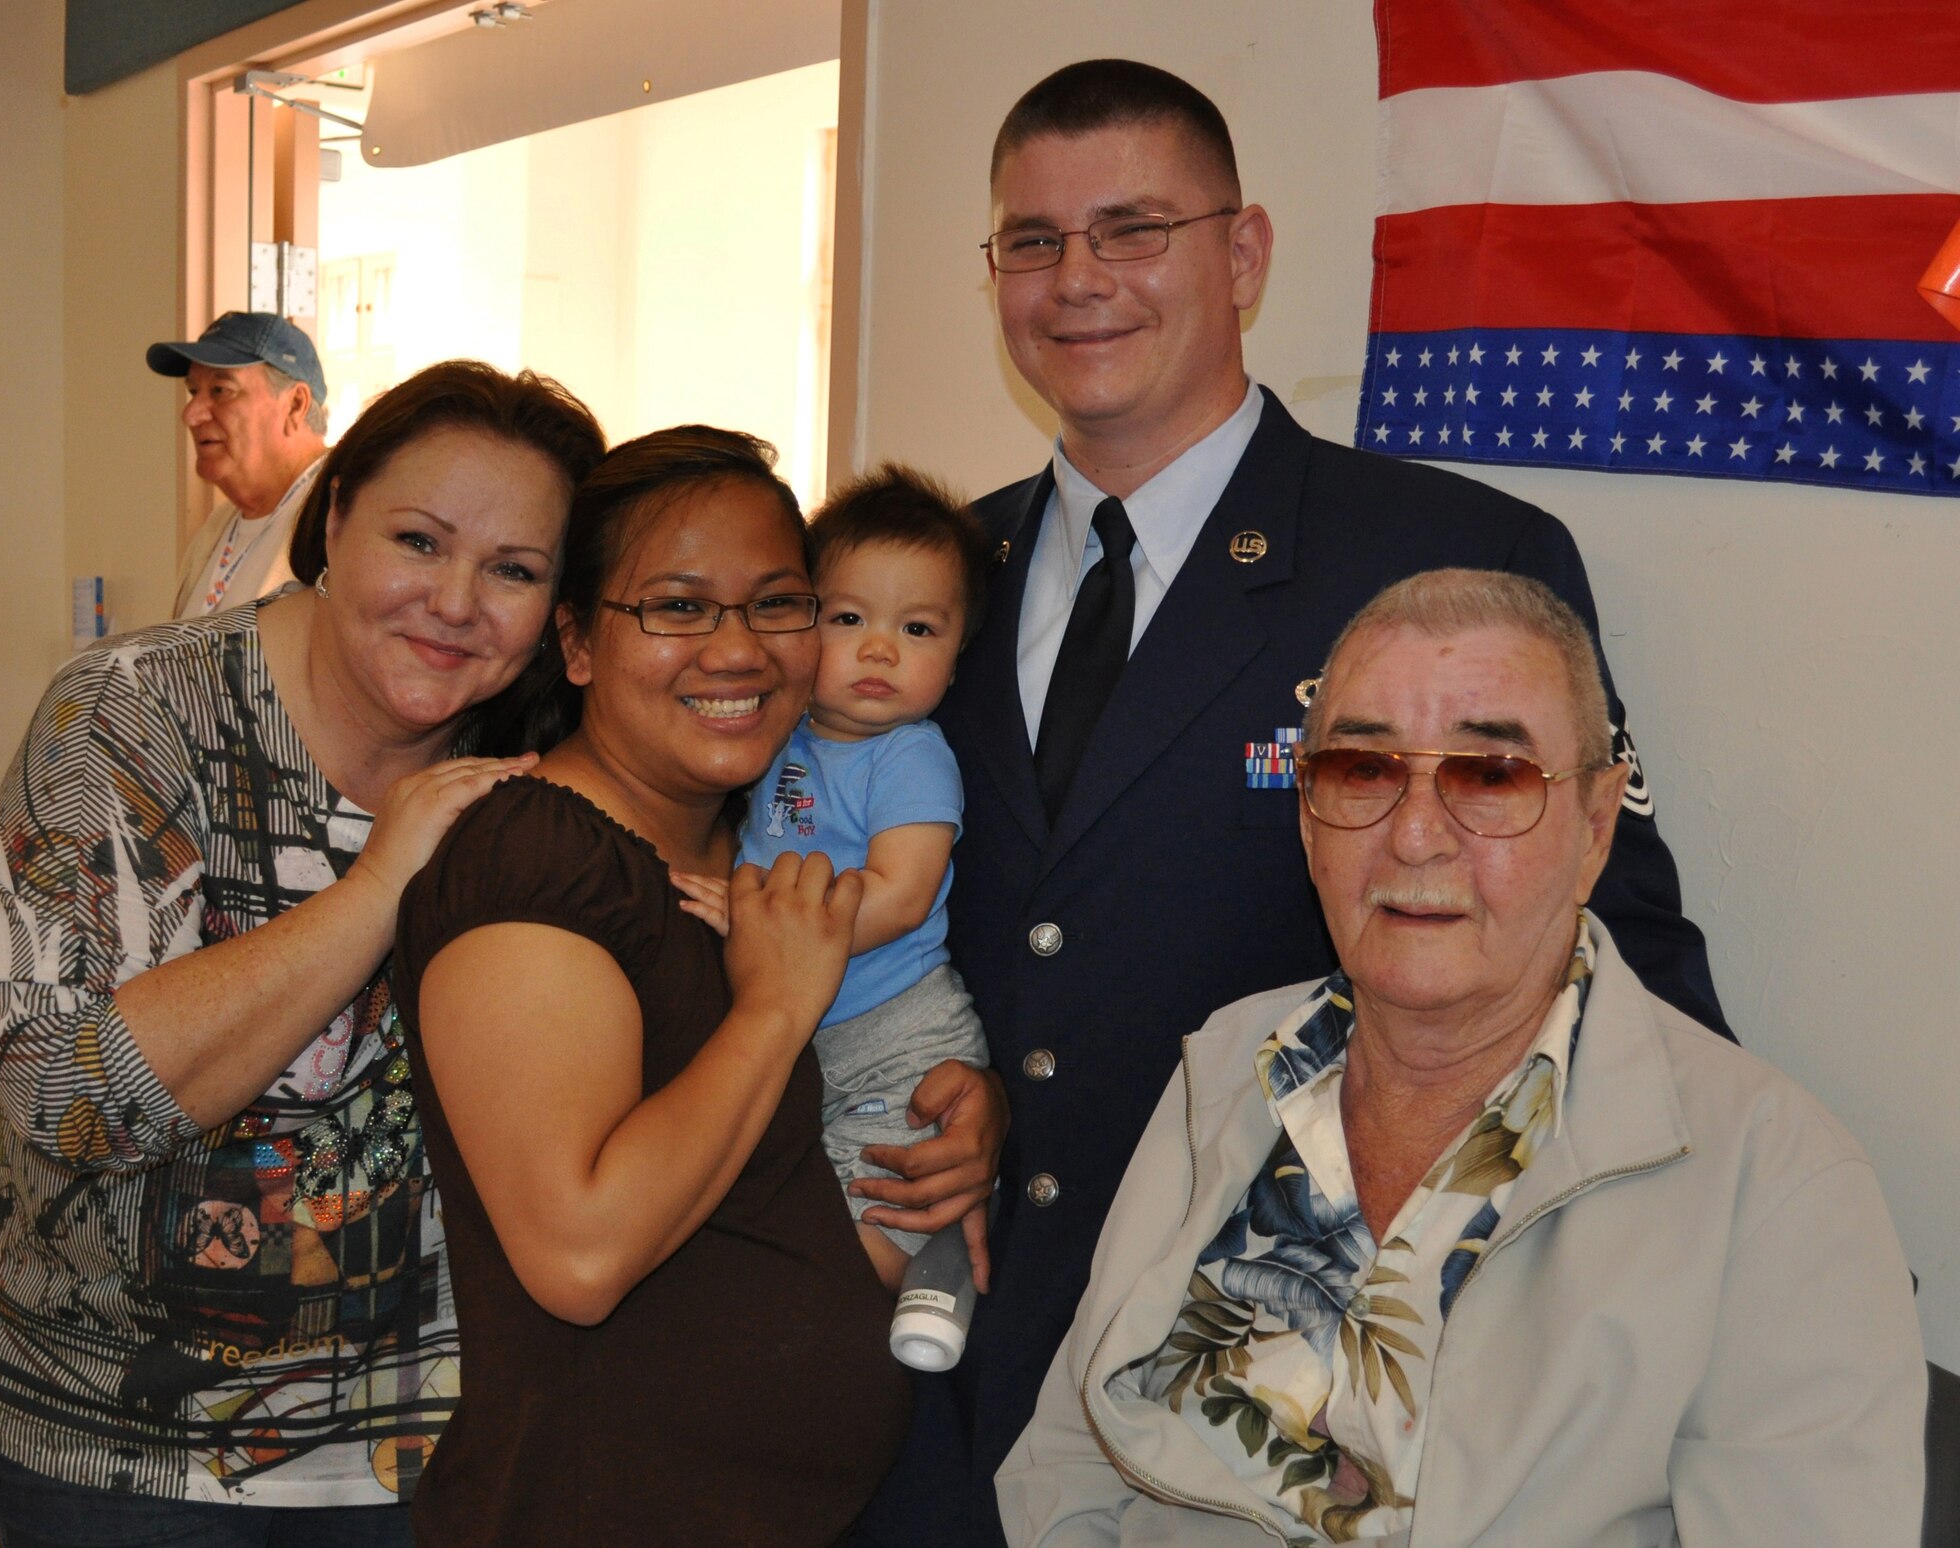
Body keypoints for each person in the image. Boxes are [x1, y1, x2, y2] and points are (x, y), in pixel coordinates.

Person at [859, 57, 1731, 1548]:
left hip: (1288, 1406)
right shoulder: (932, 586)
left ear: (1244, 252)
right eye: (1033, 241)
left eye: (1133, 229)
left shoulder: (1446, 559)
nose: (1079, 282)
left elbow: (1622, 968)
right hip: (954, 1370)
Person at [998, 568, 1926, 1547]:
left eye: (1491, 778)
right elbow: (1067, 1462)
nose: (1411, 836)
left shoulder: (1775, 1185)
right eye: (1361, 770)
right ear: (1306, 813)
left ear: (1595, 827)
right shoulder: (1228, 1064)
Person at [0, 360, 606, 1545]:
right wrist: (379, 889)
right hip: (121, 1452)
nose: (456, 602)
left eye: (513, 570)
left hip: (423, 1445)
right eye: (417, 540)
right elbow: (63, 1098)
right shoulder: (131, 715)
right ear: (335, 516)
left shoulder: (551, 760)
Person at [387, 429, 924, 1546]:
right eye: (678, 608)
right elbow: (578, 1253)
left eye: (778, 605)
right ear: (576, 643)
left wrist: (957, 1111)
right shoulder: (532, 859)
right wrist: (777, 1008)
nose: (736, 650)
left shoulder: (760, 858)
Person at [675, 464, 999, 1289]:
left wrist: (769, 932)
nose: (882, 648)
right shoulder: (781, 735)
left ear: (958, 661)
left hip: (898, 1030)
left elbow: (903, 893)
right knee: (803, 1196)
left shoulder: (912, 755)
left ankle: (937, 1291)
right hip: (808, 1025)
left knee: (881, 1213)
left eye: (920, 629)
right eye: (851, 617)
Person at [148, 311, 331, 618]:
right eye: (194, 391)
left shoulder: (339, 522)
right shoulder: (217, 528)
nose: (191, 415)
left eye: (221, 391)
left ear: (295, 405)